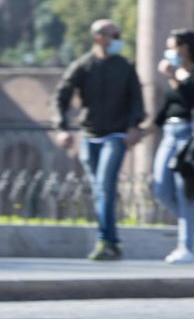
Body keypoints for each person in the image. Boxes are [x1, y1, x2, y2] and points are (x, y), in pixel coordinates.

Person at [54, 19, 146, 261]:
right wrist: (62, 128)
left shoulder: (125, 67)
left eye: (118, 35)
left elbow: (137, 99)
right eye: (113, 35)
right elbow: (61, 96)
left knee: (104, 185)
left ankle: (104, 240)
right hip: (90, 135)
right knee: (99, 190)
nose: (117, 40)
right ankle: (112, 242)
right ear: (98, 37)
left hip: (116, 135)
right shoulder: (83, 66)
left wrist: (134, 126)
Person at [152, 28, 194, 264]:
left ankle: (186, 247)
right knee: (161, 189)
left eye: (172, 47)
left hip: (193, 132)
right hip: (171, 132)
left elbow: (192, 100)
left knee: (184, 190)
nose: (169, 52)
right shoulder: (178, 74)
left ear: (185, 48)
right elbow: (171, 104)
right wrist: (148, 128)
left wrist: (172, 76)